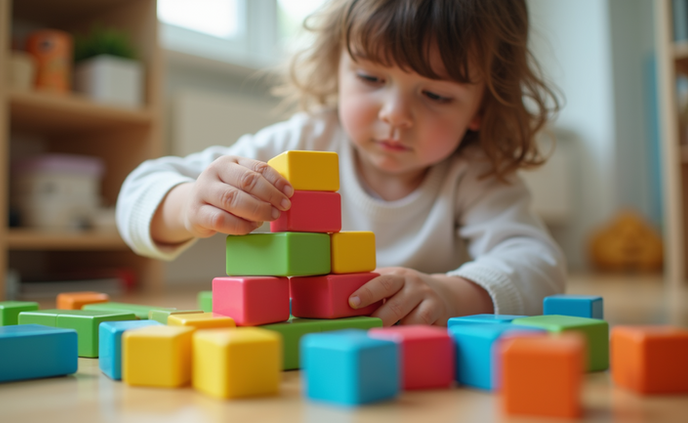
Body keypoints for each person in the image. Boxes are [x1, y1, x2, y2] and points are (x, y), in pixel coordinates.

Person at [116, 0, 566, 327]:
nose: (395, 114)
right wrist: (189, 204)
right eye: (371, 77)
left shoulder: (475, 173)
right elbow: (138, 189)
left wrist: (451, 292)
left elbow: (539, 263)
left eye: (436, 95)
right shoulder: (302, 141)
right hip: (303, 334)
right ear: (336, 67)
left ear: (481, 109)